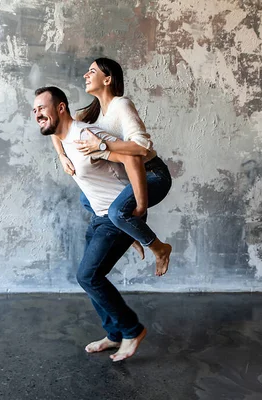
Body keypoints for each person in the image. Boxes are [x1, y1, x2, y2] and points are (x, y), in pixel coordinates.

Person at [33, 86, 149, 361]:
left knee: (88, 276)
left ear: (61, 107)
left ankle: (132, 330)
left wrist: (138, 211)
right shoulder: (64, 134)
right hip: (99, 216)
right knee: (92, 279)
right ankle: (115, 334)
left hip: (117, 216)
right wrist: (60, 155)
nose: (37, 113)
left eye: (42, 108)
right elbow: (57, 136)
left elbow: (134, 158)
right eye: (34, 109)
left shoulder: (87, 136)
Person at [50, 57, 172, 276]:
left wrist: (102, 144)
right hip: (128, 176)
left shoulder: (121, 104)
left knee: (117, 212)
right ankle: (127, 231)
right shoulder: (89, 114)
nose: (85, 75)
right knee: (86, 199)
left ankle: (159, 248)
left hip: (152, 174)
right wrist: (61, 156)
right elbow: (57, 127)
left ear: (107, 79)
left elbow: (142, 147)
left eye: (92, 71)